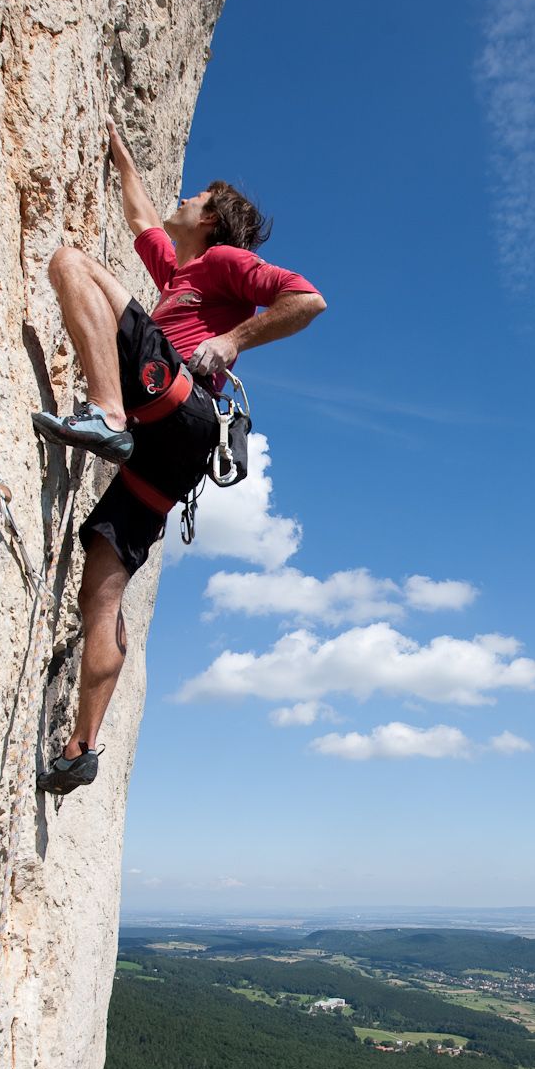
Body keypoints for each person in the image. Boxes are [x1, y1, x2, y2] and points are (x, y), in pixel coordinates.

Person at [32, 119, 326, 794]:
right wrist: (122, 156)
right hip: (172, 454)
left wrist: (233, 341)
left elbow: (307, 298)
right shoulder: (178, 273)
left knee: (71, 263)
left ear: (213, 220)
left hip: (179, 400)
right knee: (101, 590)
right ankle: (82, 747)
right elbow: (142, 216)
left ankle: (107, 413)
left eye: (196, 197)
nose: (184, 197)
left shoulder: (223, 263)